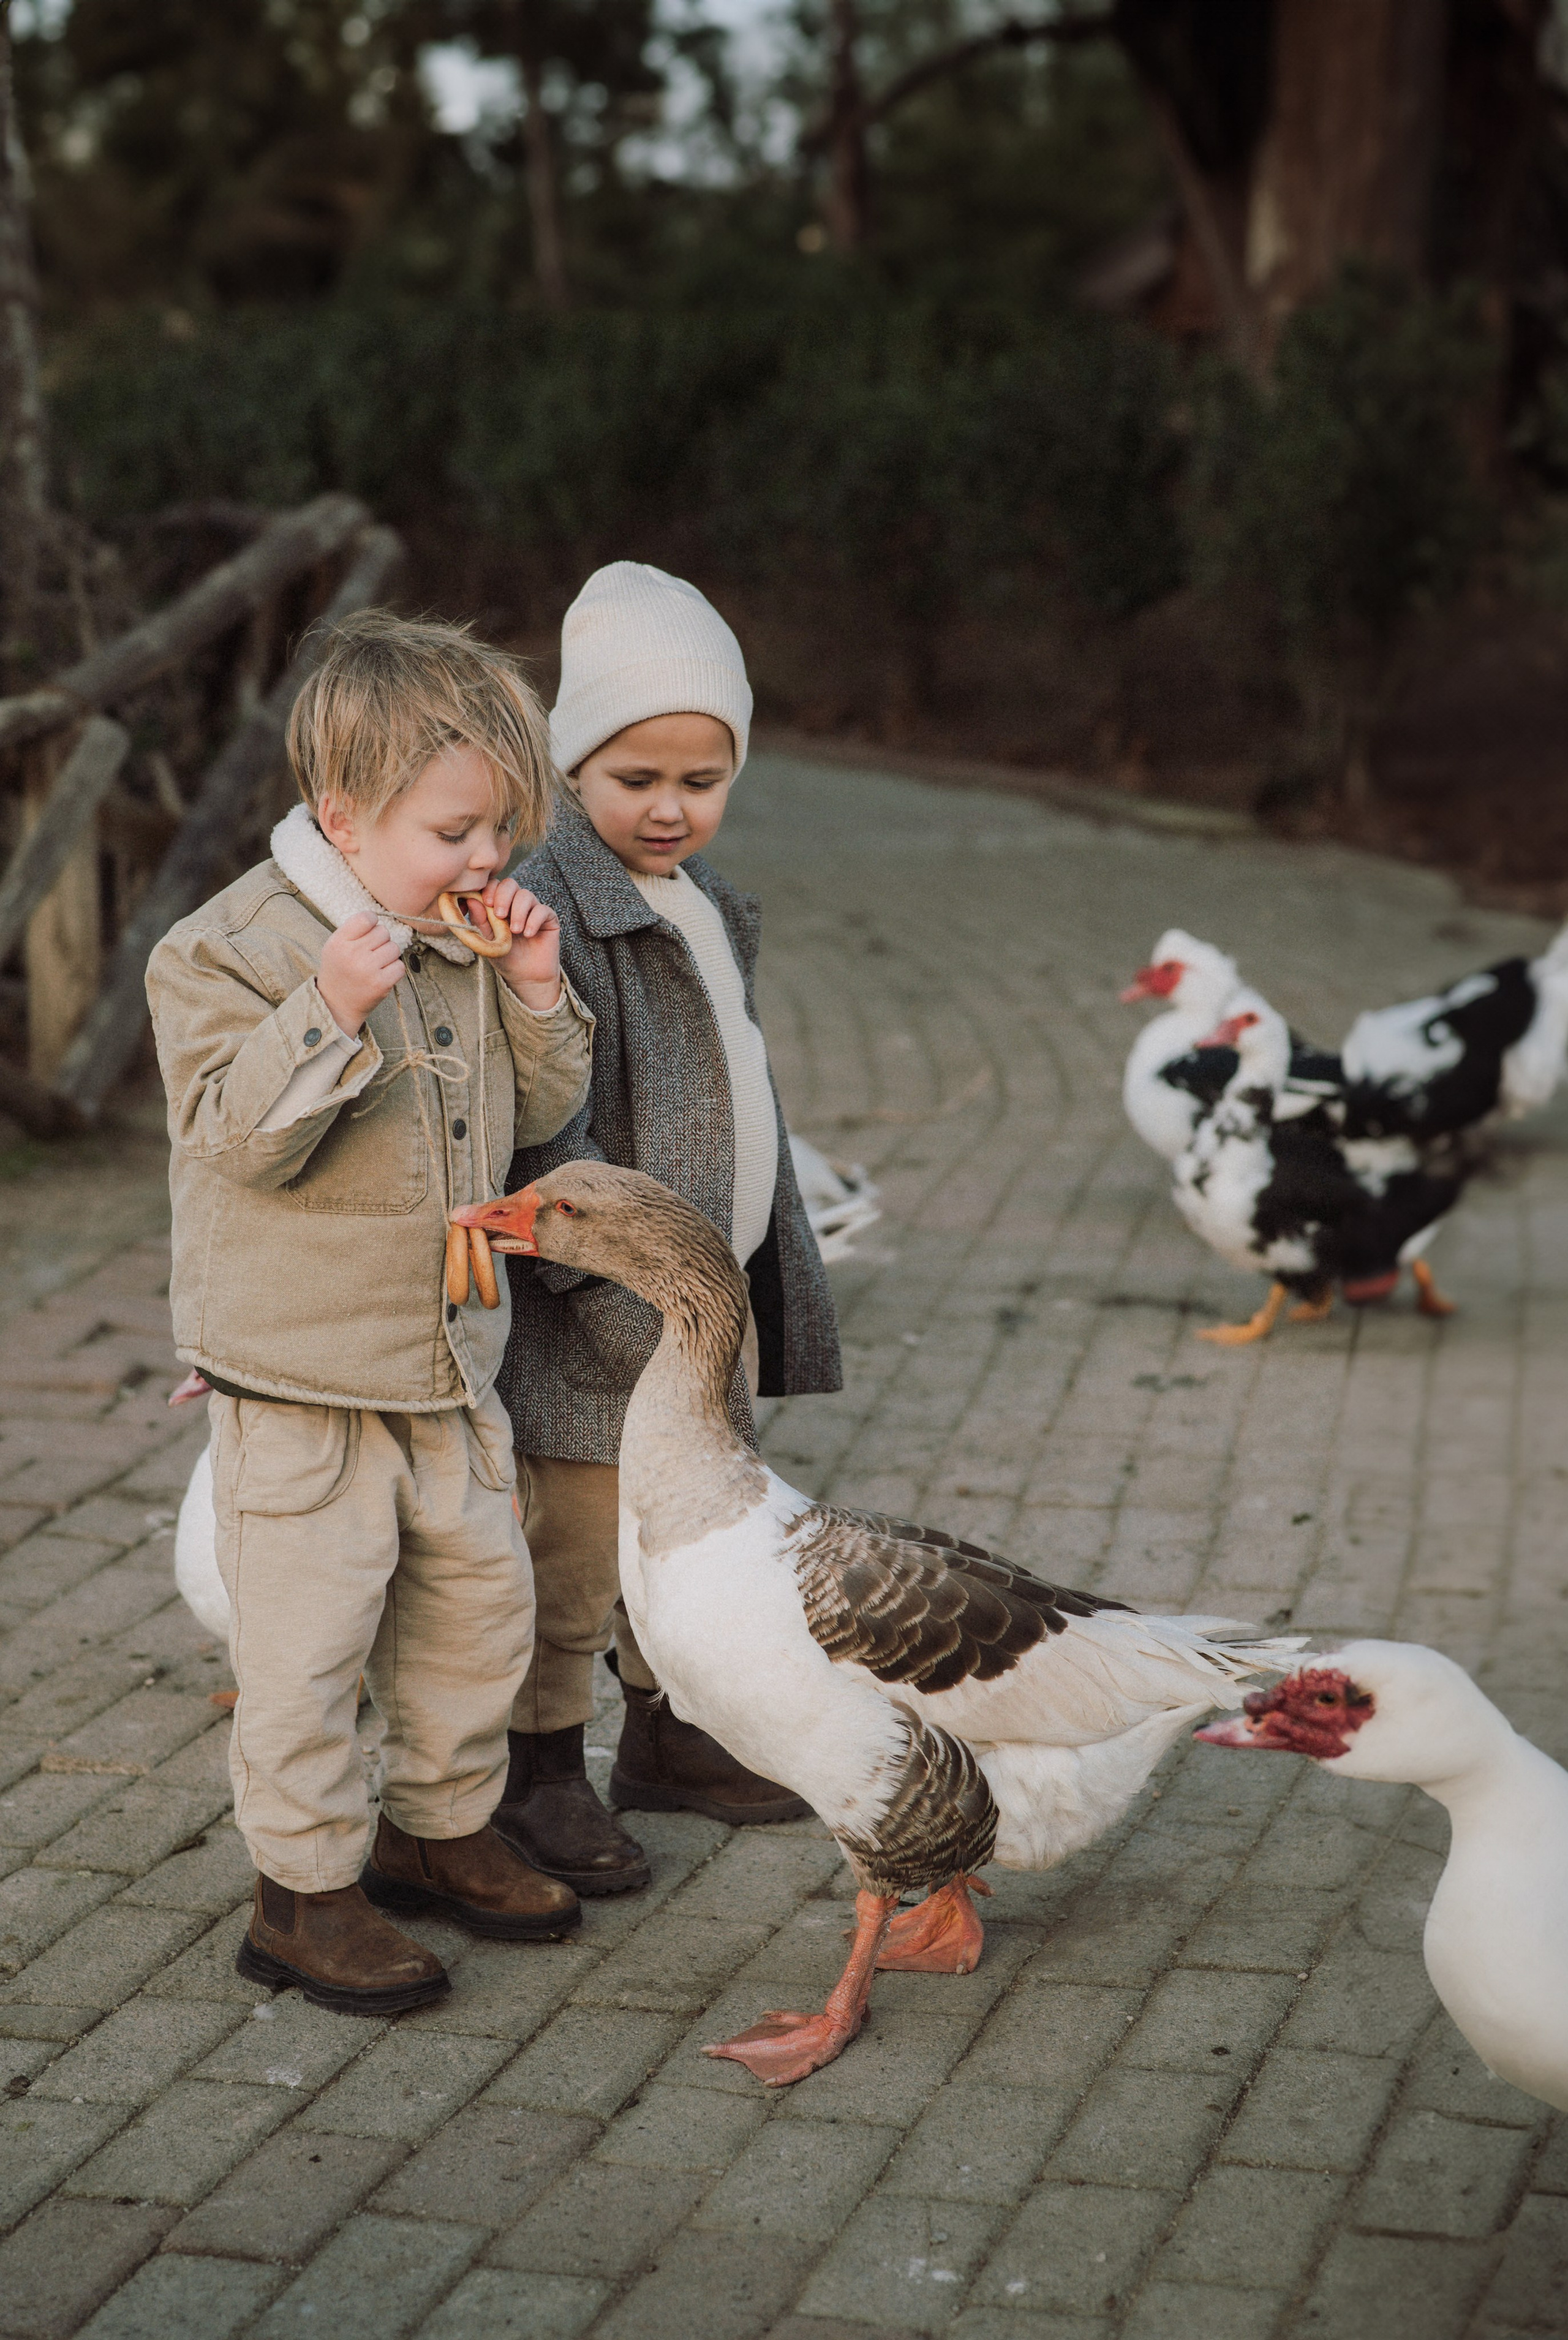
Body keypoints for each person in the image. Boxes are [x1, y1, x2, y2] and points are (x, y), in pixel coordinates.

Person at [146, 611, 595, 2015]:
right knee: (309, 1644)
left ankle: (437, 1824)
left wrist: (533, 990)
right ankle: (302, 1891)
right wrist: (327, 1011)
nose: (487, 864)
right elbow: (232, 1135)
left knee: (475, 1613)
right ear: (343, 815)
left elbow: (541, 1109)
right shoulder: (223, 952)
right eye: (457, 831)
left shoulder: (460, 936)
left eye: (504, 836)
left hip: (449, 1359)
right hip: (302, 1372)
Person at [491, 562, 842, 1897]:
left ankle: (672, 1733)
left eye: (701, 780)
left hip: (702, 1310)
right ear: (576, 761)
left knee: (680, 1538)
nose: (669, 807)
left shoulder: (704, 904)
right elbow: (546, 1121)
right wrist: (612, 1294)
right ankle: (536, 1774)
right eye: (636, 776)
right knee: (576, 1549)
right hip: (606, 1316)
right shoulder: (557, 912)